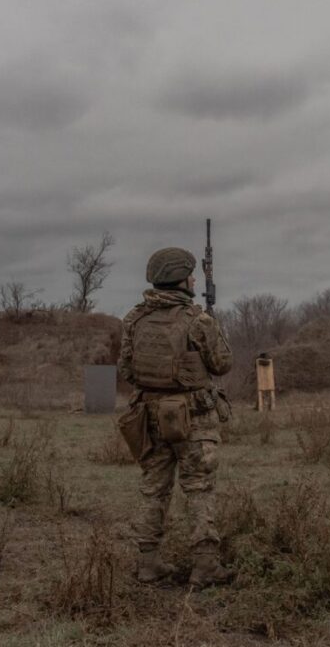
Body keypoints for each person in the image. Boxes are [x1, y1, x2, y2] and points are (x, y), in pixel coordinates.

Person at [118, 247, 234, 587]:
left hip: (149, 417)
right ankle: (205, 565)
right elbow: (222, 364)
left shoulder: (134, 319)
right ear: (180, 280)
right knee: (199, 488)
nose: (195, 279)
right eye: (191, 275)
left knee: (154, 490)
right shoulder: (198, 321)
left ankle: (148, 562)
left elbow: (127, 369)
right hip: (193, 417)